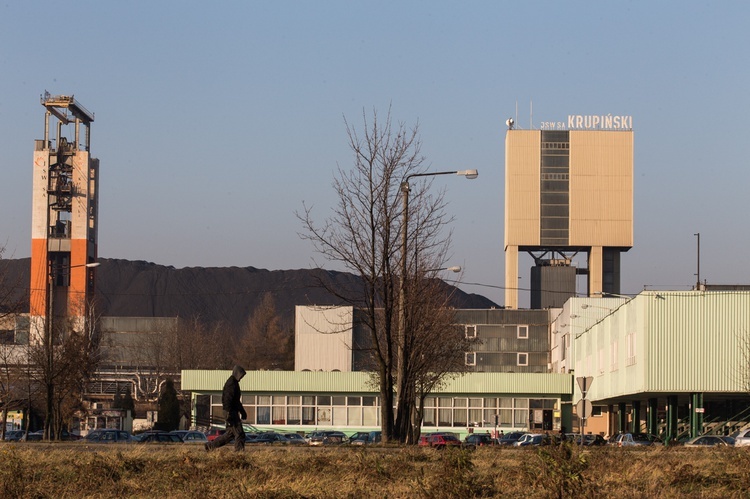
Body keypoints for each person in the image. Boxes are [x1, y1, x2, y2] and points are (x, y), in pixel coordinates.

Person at [205, 365, 247, 452]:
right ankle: (239, 454)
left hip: (231, 411)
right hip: (230, 412)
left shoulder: (234, 383)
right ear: (237, 374)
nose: (241, 377)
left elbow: (236, 401)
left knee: (230, 435)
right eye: (241, 375)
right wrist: (229, 412)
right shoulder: (231, 383)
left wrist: (242, 412)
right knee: (239, 433)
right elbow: (228, 399)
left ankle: (210, 446)